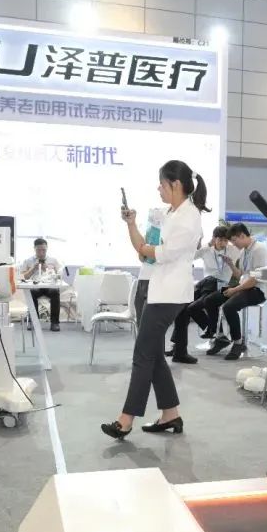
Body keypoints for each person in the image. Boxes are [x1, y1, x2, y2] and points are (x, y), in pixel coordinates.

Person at [100, 160, 208, 440]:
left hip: (169, 294)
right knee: (154, 354)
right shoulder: (170, 213)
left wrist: (145, 248)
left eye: (162, 184)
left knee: (143, 354)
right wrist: (132, 225)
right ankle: (171, 414)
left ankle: (125, 420)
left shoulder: (188, 217)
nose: (158, 189)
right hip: (160, 289)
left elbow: (160, 253)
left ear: (176, 184)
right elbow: (144, 250)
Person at [165, 225, 237, 363]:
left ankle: (216, 334)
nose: (223, 243)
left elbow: (242, 252)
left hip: (221, 285)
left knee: (192, 307)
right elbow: (189, 257)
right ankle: (178, 346)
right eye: (220, 240)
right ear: (214, 239)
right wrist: (204, 243)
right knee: (183, 307)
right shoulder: (206, 250)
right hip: (206, 283)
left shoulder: (232, 250)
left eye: (225, 240)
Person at [200, 223, 267, 361]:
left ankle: (238, 343)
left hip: (258, 290)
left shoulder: (259, 250)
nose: (233, 244)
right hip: (243, 286)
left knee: (229, 307)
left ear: (242, 236)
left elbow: (255, 280)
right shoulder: (244, 251)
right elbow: (240, 275)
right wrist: (231, 264)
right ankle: (221, 338)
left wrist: (235, 290)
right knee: (210, 300)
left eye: (234, 240)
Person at [133, 207, 168, 327]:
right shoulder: (148, 233)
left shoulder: (168, 236)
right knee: (141, 321)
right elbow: (141, 258)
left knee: (153, 323)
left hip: (157, 280)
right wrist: (145, 248)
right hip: (143, 279)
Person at [21, 238, 63, 331]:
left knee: (55, 292)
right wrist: (33, 269)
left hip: (49, 286)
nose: (41, 253)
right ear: (34, 249)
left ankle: (55, 323)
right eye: (38, 250)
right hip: (35, 286)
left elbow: (59, 276)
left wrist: (47, 269)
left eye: (43, 250)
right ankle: (33, 321)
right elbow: (23, 277)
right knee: (31, 293)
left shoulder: (53, 260)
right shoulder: (28, 261)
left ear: (47, 248)